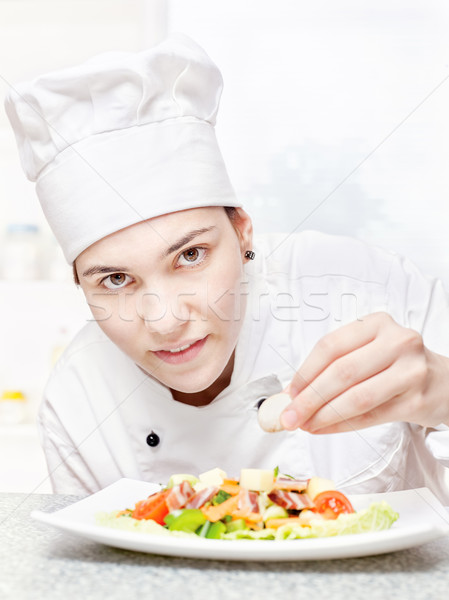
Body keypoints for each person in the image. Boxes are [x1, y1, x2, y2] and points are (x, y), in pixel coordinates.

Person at [5, 34, 449, 500]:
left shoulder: (368, 287)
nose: (165, 321)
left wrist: (444, 394)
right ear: (78, 283)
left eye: (190, 256)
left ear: (242, 232)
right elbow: (100, 570)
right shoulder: (79, 398)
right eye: (115, 280)